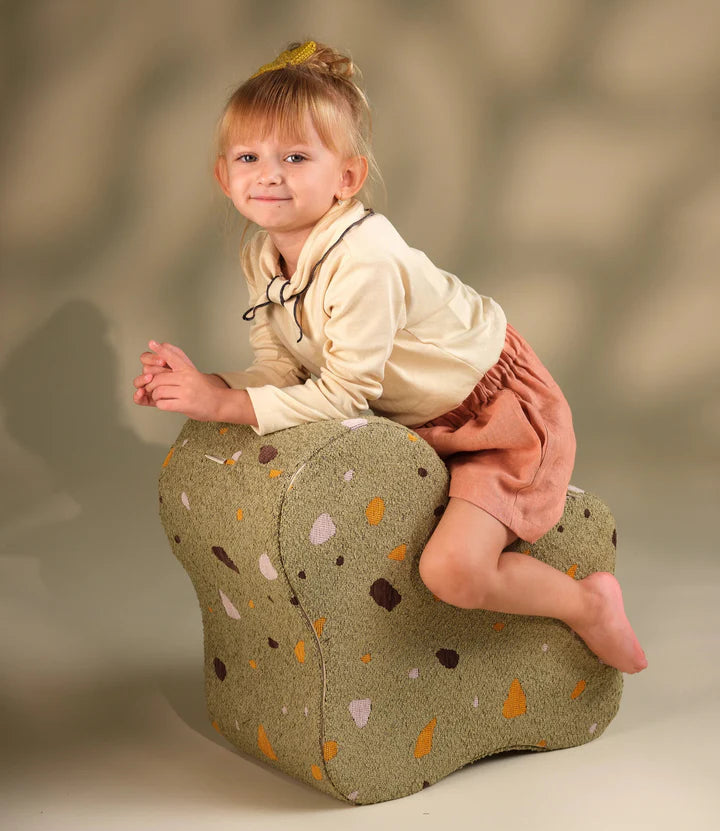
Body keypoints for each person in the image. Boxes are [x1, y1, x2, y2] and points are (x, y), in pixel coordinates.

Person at [133, 39, 647, 675]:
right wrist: (203, 383)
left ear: (346, 178)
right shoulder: (265, 254)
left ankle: (587, 604)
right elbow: (282, 371)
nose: (269, 174)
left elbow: (343, 395)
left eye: (296, 156)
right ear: (224, 176)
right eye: (249, 157)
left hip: (496, 416)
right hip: (415, 422)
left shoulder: (364, 258)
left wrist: (224, 403)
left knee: (453, 571)